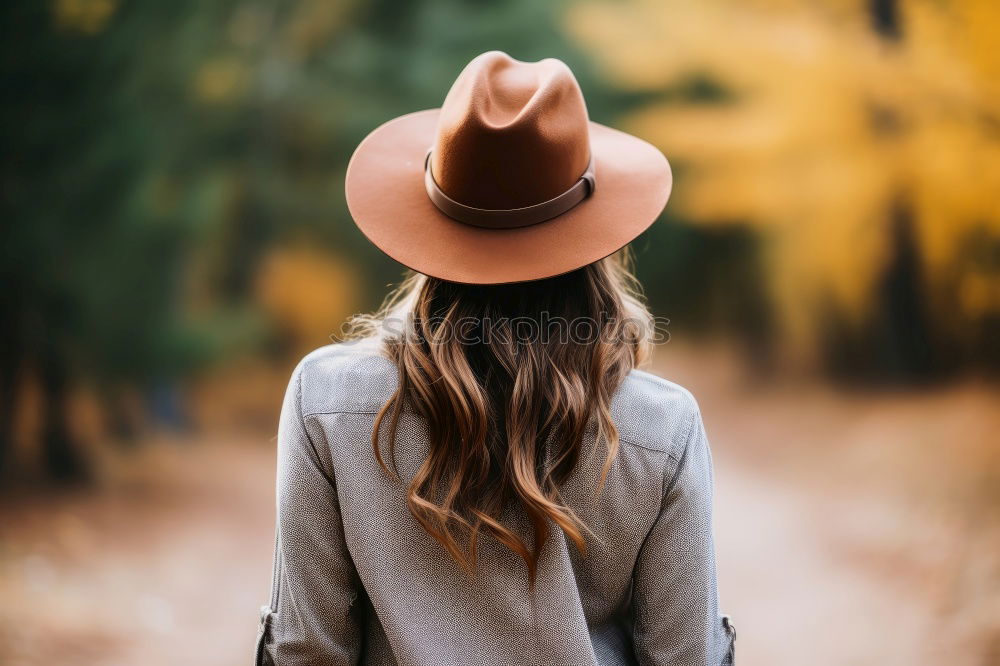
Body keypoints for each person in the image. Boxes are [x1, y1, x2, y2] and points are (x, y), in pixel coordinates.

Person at [255, 51, 735, 666]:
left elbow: (306, 651)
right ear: (593, 235)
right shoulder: (662, 428)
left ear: (432, 220)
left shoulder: (326, 400)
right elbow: (685, 655)